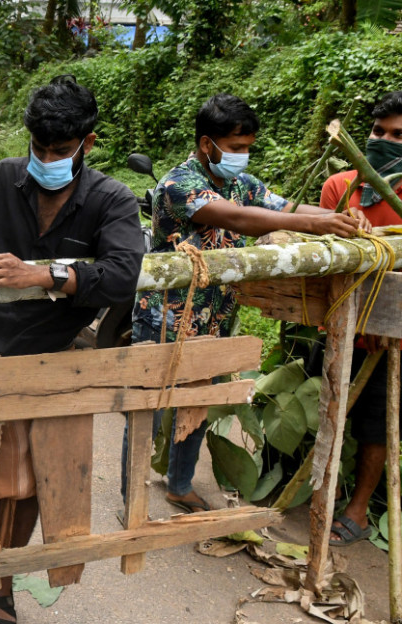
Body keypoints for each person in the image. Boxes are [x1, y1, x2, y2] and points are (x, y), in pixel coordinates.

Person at [0, 74, 144, 624]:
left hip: (47, 361)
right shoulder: (2, 178)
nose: (47, 159)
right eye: (40, 148)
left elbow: (123, 275)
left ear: (87, 144)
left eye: (60, 151)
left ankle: (0, 588)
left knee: (18, 483)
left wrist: (44, 273)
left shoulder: (110, 199)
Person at [127, 93, 365, 513]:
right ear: (207, 144)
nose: (243, 156)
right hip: (165, 318)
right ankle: (131, 489)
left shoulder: (244, 184)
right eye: (236, 148)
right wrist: (314, 222)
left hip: (216, 317)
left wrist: (343, 217)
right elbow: (236, 218)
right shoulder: (177, 185)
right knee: (148, 408)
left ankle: (179, 485)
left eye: (248, 148)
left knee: (198, 404)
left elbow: (285, 207)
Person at [319, 91, 402, 546]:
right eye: (378, 132)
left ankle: (359, 508)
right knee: (327, 403)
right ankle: (318, 487)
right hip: (343, 321)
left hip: (394, 334)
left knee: (377, 423)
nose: (384, 141)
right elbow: (325, 248)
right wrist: (344, 226)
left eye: (398, 135)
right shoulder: (342, 186)